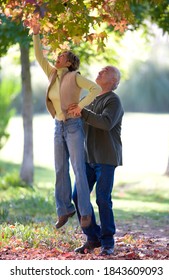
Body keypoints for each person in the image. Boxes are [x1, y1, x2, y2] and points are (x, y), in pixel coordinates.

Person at [31, 21, 102, 229]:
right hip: (58, 127)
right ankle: (64, 209)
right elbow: (39, 56)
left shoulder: (75, 77)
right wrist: (36, 33)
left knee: (78, 169)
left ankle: (86, 212)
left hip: (73, 126)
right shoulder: (52, 74)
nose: (58, 57)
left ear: (69, 62)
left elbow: (95, 89)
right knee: (60, 169)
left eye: (62, 56)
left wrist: (79, 106)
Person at [70, 66, 124, 256]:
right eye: (100, 70)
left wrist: (81, 111)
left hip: (106, 159)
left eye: (105, 71)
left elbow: (105, 123)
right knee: (78, 196)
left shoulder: (113, 101)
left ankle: (108, 242)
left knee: (102, 199)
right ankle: (93, 237)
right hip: (87, 158)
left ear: (113, 81)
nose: (100, 71)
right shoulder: (91, 98)